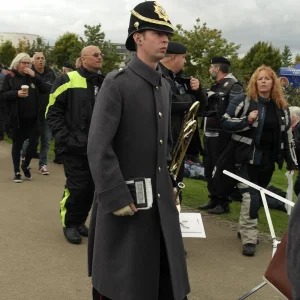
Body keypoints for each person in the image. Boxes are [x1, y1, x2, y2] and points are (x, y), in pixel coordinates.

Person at [87, 2, 190, 300]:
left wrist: (168, 183)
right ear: (138, 37)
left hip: (159, 202)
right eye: (156, 32)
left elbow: (164, 144)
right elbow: (98, 145)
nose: (164, 38)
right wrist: (116, 195)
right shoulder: (116, 84)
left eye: (166, 32)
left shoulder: (165, 86)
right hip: (127, 205)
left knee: (165, 281)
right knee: (123, 284)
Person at [221, 65, 298, 256]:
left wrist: (291, 161)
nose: (263, 81)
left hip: (267, 160)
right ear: (255, 82)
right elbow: (224, 121)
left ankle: (244, 227)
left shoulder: (282, 108)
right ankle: (249, 237)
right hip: (244, 157)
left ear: (274, 83)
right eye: (260, 78)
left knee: (257, 196)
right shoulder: (244, 101)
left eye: (267, 78)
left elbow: (287, 137)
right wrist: (246, 121)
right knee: (250, 195)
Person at [46, 45, 105, 244]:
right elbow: (52, 112)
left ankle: (80, 221)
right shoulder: (67, 80)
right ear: (83, 59)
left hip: (97, 147)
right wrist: (66, 139)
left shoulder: (105, 82)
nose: (100, 57)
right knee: (77, 186)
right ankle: (70, 224)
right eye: (95, 55)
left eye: (101, 55)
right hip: (74, 147)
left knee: (90, 187)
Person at [159, 41, 207, 202]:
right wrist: (191, 98)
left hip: (178, 141)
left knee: (176, 184)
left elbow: (203, 108)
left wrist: (198, 90)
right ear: (173, 57)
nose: (185, 62)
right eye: (183, 58)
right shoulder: (158, 74)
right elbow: (170, 102)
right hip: (165, 140)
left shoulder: (178, 79)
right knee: (166, 186)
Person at [199, 56, 244, 214]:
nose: (210, 70)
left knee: (221, 167)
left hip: (223, 134)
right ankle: (214, 198)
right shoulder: (215, 85)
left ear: (217, 68)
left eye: (211, 67)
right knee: (209, 166)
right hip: (209, 131)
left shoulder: (234, 85)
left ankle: (223, 201)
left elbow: (235, 112)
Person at [0, 53, 48, 182]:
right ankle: (17, 171)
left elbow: (44, 89)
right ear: (17, 63)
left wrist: (35, 76)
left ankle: (25, 165)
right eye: (24, 63)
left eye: (28, 63)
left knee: (33, 145)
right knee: (17, 145)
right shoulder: (10, 77)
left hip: (33, 119)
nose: (27, 65)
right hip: (18, 119)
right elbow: (3, 95)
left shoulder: (32, 77)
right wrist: (16, 94)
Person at [21, 52, 56, 175]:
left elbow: (49, 88)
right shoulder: (27, 72)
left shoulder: (50, 73)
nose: (40, 60)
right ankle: (24, 156)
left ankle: (43, 164)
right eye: (38, 58)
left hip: (46, 110)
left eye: (42, 58)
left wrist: (35, 76)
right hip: (32, 110)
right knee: (30, 138)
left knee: (46, 138)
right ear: (33, 61)